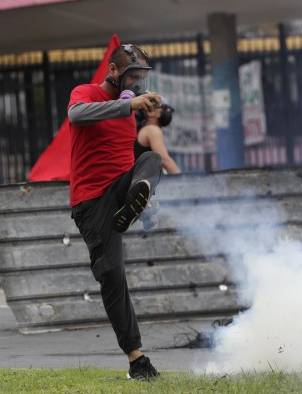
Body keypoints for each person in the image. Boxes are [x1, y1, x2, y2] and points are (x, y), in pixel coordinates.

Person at [68, 43, 162, 380]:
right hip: (92, 201)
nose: (137, 83)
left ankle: (134, 207)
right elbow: (76, 115)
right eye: (131, 76)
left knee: (151, 159)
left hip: (121, 191)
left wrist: (144, 201)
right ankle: (137, 360)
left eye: (141, 78)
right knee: (111, 274)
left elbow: (130, 163)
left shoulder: (129, 115)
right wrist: (125, 106)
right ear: (113, 72)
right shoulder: (86, 92)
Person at [135, 100, 181, 174]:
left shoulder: (151, 129)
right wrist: (182, 180)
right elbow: (164, 160)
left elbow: (164, 160)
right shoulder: (152, 129)